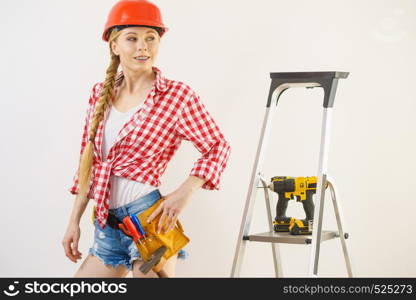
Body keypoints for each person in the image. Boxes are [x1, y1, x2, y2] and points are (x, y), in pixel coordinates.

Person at [61, 0, 231, 278]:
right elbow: (87, 164)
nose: (143, 46)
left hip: (149, 223)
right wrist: (73, 221)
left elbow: (217, 147)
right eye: (132, 38)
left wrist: (183, 193)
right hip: (106, 226)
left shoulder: (177, 96)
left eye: (151, 38)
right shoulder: (99, 94)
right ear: (115, 46)